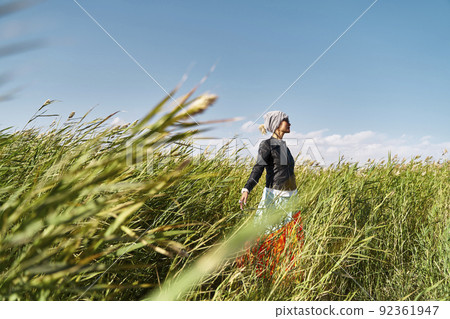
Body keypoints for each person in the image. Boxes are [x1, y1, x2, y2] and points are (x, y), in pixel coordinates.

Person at [239, 110, 298, 231]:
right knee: (268, 234)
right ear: (277, 124)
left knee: (289, 236)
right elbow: (258, 168)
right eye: (286, 121)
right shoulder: (267, 145)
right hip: (275, 197)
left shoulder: (283, 147)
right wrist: (247, 189)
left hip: (291, 198)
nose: (289, 124)